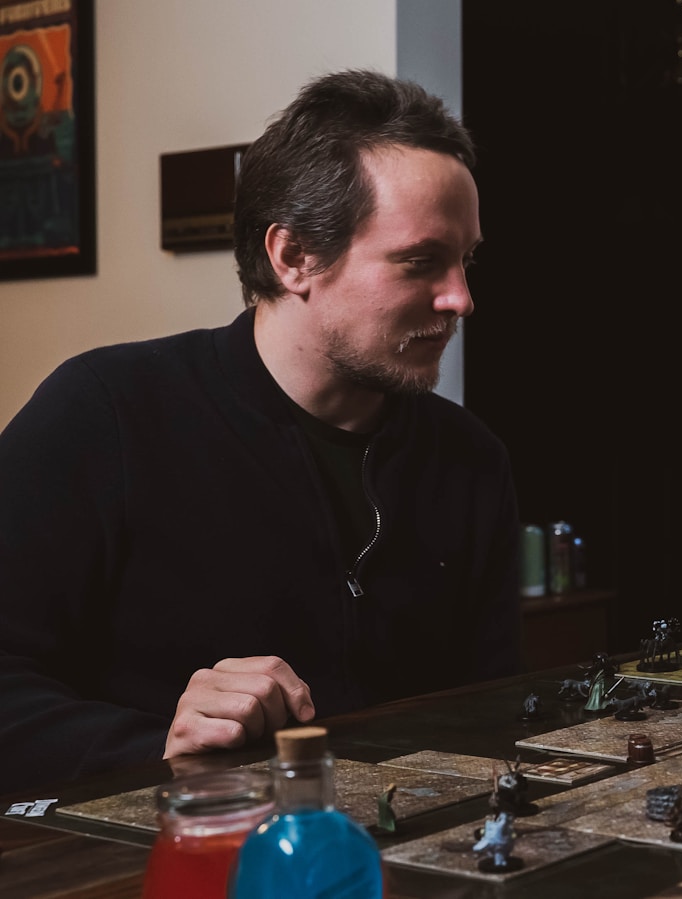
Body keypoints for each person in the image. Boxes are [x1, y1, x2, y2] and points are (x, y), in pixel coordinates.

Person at [0, 70, 521, 793]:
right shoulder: (104, 414)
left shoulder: (470, 460)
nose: (460, 297)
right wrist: (158, 748)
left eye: (466, 260)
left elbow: (492, 712)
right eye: (421, 262)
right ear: (293, 256)